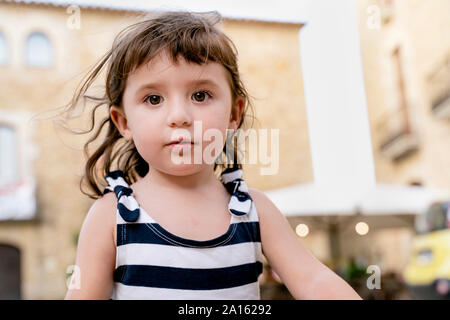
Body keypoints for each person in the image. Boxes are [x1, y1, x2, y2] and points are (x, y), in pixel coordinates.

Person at [64, 10, 362, 300]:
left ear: (234, 113)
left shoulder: (254, 212)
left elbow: (313, 280)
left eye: (200, 95)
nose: (179, 116)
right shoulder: (112, 216)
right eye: (154, 99)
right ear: (124, 122)